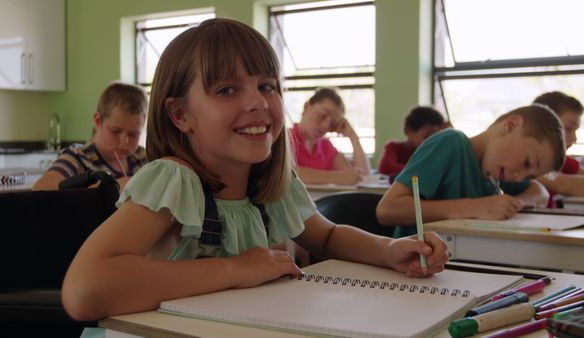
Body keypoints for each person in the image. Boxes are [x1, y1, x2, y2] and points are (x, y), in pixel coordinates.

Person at [61, 18, 449, 331]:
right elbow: (84, 290)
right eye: (228, 89)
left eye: (267, 85)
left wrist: (389, 250)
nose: (258, 102)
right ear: (180, 115)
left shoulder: (269, 185)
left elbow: (327, 235)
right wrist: (234, 269)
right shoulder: (175, 181)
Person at [376, 105, 565, 238]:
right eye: (527, 162)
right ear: (511, 125)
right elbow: (387, 210)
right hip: (416, 270)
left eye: (529, 174)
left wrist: (516, 203)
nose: (520, 176)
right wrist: (476, 207)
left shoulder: (495, 174)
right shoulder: (450, 143)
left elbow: (540, 191)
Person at [33, 82, 148, 191]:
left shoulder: (142, 158)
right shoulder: (78, 157)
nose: (124, 141)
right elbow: (40, 188)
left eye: (133, 134)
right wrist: (103, 190)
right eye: (116, 131)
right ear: (98, 121)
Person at [289, 87, 370, 185]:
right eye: (323, 115)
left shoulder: (326, 147)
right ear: (307, 107)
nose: (326, 126)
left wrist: (353, 136)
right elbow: (285, 172)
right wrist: (337, 177)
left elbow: (361, 176)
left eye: (333, 123)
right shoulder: (285, 139)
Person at [532, 92, 584, 207]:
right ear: (542, 126)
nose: (574, 138)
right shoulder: (529, 162)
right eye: (569, 129)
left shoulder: (558, 160)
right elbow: (563, 184)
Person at [378, 106, 446, 177]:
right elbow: (385, 168)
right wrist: (423, 170)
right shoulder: (394, 147)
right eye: (427, 137)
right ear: (408, 130)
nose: (431, 142)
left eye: (436, 138)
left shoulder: (433, 152)